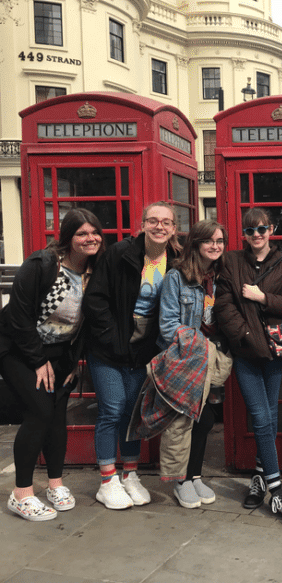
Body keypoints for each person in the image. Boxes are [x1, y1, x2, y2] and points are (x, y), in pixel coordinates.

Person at [1, 209, 105, 521]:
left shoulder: (94, 270)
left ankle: (55, 484)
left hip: (60, 354)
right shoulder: (44, 264)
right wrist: (37, 359)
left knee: (57, 415)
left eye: (94, 232)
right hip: (20, 349)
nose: (90, 239)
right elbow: (18, 317)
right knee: (39, 412)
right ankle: (21, 494)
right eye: (81, 234)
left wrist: (72, 362)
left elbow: (85, 323)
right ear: (68, 238)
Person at [84, 201, 181, 510]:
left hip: (142, 352)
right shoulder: (119, 254)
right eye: (153, 221)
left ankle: (130, 474)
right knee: (112, 410)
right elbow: (96, 300)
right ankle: (107, 479)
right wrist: (114, 341)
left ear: (174, 228)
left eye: (166, 222)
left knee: (132, 414)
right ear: (142, 225)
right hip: (108, 350)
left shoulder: (176, 260)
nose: (159, 227)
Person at [214, 207, 282, 523]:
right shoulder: (232, 262)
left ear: (272, 230)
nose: (257, 236)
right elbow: (223, 306)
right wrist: (247, 336)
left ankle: (259, 479)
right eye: (251, 231)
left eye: (262, 229)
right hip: (247, 353)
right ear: (244, 235)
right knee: (261, 416)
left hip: (275, 353)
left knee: (268, 418)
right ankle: (276, 493)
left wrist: (264, 298)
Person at [155, 219, 232, 508]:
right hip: (186, 357)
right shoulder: (178, 277)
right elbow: (167, 325)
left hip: (215, 358)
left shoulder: (221, 276)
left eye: (220, 241)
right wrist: (198, 346)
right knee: (185, 419)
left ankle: (195, 475)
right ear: (196, 244)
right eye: (209, 241)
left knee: (205, 418)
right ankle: (181, 480)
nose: (215, 246)